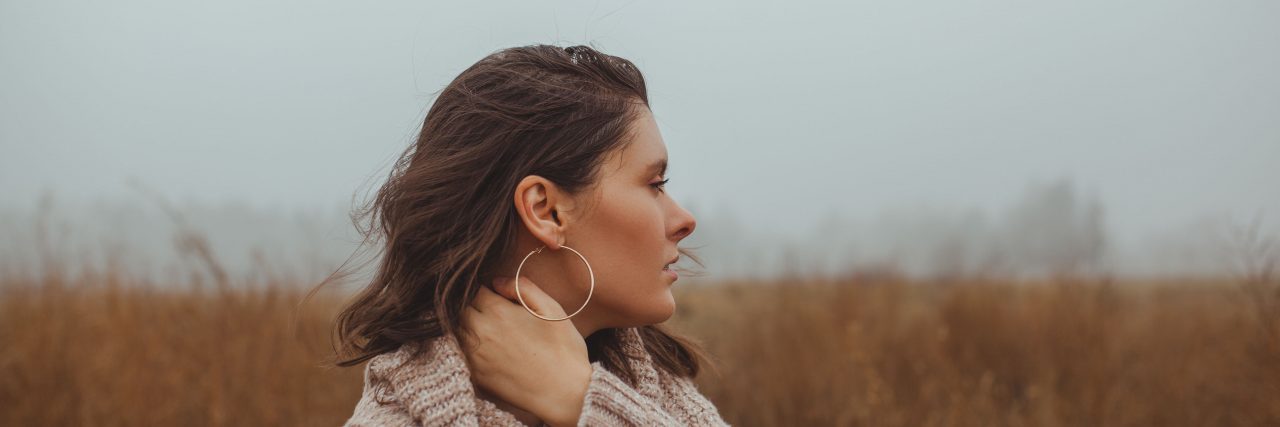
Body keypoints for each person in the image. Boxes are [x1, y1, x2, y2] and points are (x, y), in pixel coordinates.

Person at [332, 44, 730, 426]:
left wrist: (578, 397)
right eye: (655, 184)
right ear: (545, 210)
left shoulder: (669, 397)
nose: (684, 220)